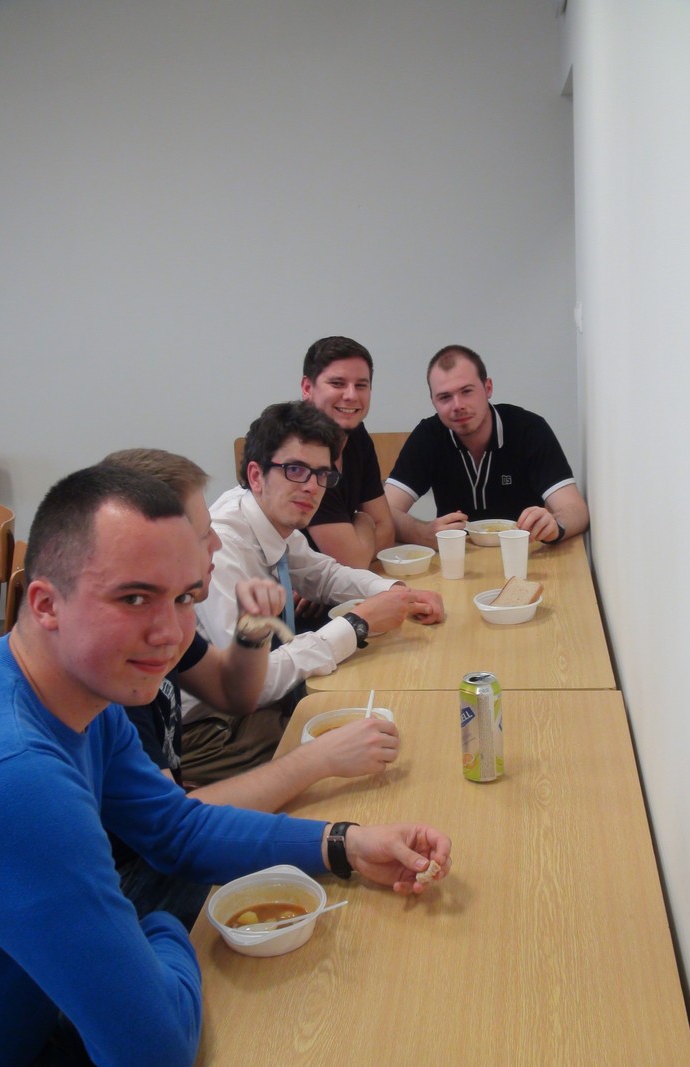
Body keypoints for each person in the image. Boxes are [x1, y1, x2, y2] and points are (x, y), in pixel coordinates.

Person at [0, 464, 451, 1067]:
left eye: (186, 597)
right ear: (45, 603)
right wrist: (158, 928)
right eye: (133, 598)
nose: (169, 633)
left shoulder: (77, 690)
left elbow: (175, 827)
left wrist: (345, 842)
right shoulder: (13, 780)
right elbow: (153, 1050)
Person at [101, 448, 401, 929]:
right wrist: (319, 762)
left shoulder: (160, 621)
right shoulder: (111, 670)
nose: (217, 543)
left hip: (160, 833)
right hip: (130, 883)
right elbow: (177, 833)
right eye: (203, 534)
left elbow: (234, 693)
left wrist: (251, 633)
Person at [184, 401, 444, 784]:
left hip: (257, 707)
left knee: (389, 722)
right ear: (256, 475)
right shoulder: (223, 547)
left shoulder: (269, 520)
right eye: (295, 470)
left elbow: (324, 575)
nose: (311, 486)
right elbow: (252, 685)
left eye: (322, 474)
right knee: (387, 744)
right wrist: (356, 625)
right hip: (211, 730)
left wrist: (396, 591)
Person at [384, 344, 590, 548]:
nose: (458, 405)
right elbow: (385, 512)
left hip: (525, 553)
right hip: (458, 558)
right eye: (445, 397)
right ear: (433, 402)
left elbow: (577, 510)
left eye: (467, 391)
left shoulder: (529, 429)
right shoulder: (428, 436)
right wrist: (421, 533)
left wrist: (555, 525)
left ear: (488, 388)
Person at [300, 335, 395, 568]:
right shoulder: (301, 451)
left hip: (331, 582)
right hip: (279, 587)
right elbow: (353, 562)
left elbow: (387, 531)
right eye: (337, 383)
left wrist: (356, 547)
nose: (351, 395)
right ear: (307, 388)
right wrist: (363, 519)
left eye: (361, 385)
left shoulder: (357, 435)